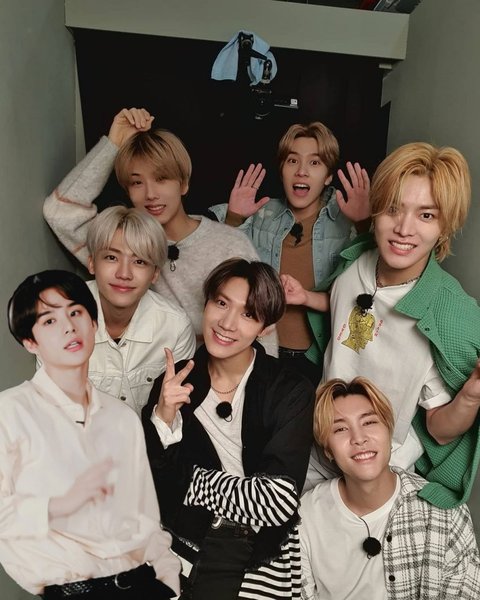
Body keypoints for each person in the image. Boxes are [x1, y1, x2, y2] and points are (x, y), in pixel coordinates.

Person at [286, 142, 480, 506]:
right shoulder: (355, 261)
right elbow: (344, 312)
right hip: (319, 445)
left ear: (445, 227)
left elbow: (439, 430)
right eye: (393, 209)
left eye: (426, 215)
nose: (404, 228)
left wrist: (471, 395)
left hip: (379, 471)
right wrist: (306, 298)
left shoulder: (445, 314)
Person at [141, 258, 314, 599]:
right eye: (221, 303)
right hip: (185, 541)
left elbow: (277, 502)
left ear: (265, 328)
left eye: (248, 314)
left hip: (259, 549)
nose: (227, 323)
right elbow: (155, 484)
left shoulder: (289, 389)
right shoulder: (175, 381)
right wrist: (163, 418)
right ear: (206, 304)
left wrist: (190, 481)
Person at [2, 269, 180, 599]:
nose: (69, 326)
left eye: (76, 312)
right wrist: (60, 504)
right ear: (30, 342)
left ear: (93, 323)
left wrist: (169, 580)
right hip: (71, 590)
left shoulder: (122, 418)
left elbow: (144, 518)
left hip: (144, 585)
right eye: (49, 320)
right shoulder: (9, 413)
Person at [43, 107, 263, 341]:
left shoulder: (230, 244)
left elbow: (262, 326)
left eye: (161, 179)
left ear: (183, 184)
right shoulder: (120, 242)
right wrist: (113, 144)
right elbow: (60, 212)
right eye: (137, 183)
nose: (150, 194)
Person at [209, 121, 370, 384]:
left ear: (328, 176)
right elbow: (220, 272)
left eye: (315, 163)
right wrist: (234, 219)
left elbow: (367, 293)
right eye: (292, 161)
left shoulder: (347, 222)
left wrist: (364, 225)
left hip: (318, 359)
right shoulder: (261, 214)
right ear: (282, 169)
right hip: (260, 352)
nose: (301, 172)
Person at [299, 377, 480, 600]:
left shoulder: (444, 514)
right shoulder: (305, 517)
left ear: (389, 431)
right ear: (327, 449)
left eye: (369, 423)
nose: (359, 439)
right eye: (340, 429)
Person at [84, 205, 195, 415]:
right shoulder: (60, 319)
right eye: (111, 257)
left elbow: (176, 415)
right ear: (91, 263)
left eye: (139, 261)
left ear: (155, 273)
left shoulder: (175, 327)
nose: (124, 273)